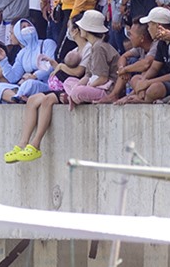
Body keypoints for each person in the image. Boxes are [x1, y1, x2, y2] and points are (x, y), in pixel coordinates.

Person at [7, 9, 116, 163]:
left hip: (89, 87)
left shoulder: (94, 48)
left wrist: (62, 69)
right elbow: (86, 76)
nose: (69, 31)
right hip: (69, 85)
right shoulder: (80, 49)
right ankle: (22, 143)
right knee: (33, 101)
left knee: (48, 99)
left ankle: (35, 143)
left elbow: (94, 75)